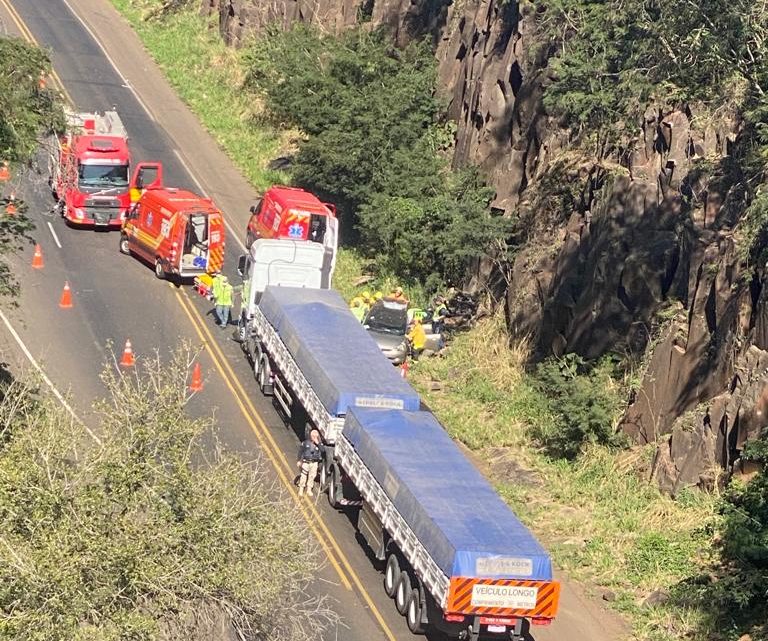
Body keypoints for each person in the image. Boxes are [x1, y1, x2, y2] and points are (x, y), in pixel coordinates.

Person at [297, 429, 323, 496]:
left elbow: (323, 450)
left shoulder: (319, 444)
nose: (314, 437)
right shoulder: (305, 443)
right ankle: (301, 488)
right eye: (313, 435)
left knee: (312, 476)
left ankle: (309, 489)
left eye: (315, 435)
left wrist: (318, 443)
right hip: (306, 462)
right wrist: (299, 460)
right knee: (303, 475)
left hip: (314, 463)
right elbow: (300, 452)